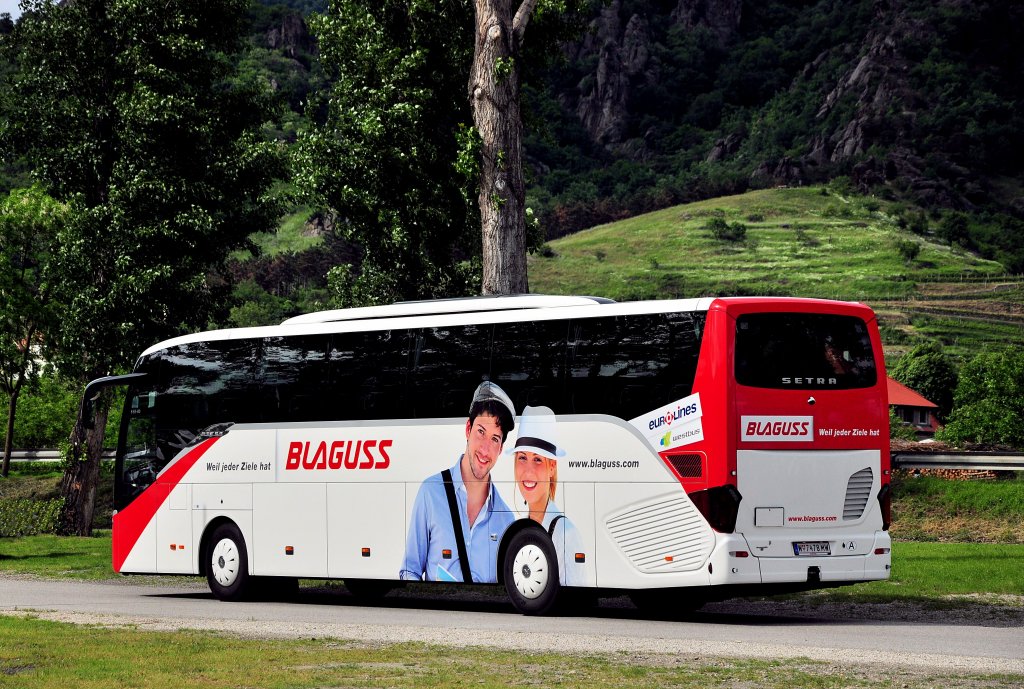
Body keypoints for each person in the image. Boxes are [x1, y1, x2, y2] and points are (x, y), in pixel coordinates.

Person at [400, 382, 516, 582]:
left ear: (501, 448)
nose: (485, 449)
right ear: (468, 429)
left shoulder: (506, 520)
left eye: (495, 439)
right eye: (481, 431)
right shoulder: (431, 492)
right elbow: (410, 571)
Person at [510, 406, 595, 587]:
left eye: (538, 459)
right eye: (522, 458)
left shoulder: (567, 534)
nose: (528, 471)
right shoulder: (526, 523)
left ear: (552, 467)